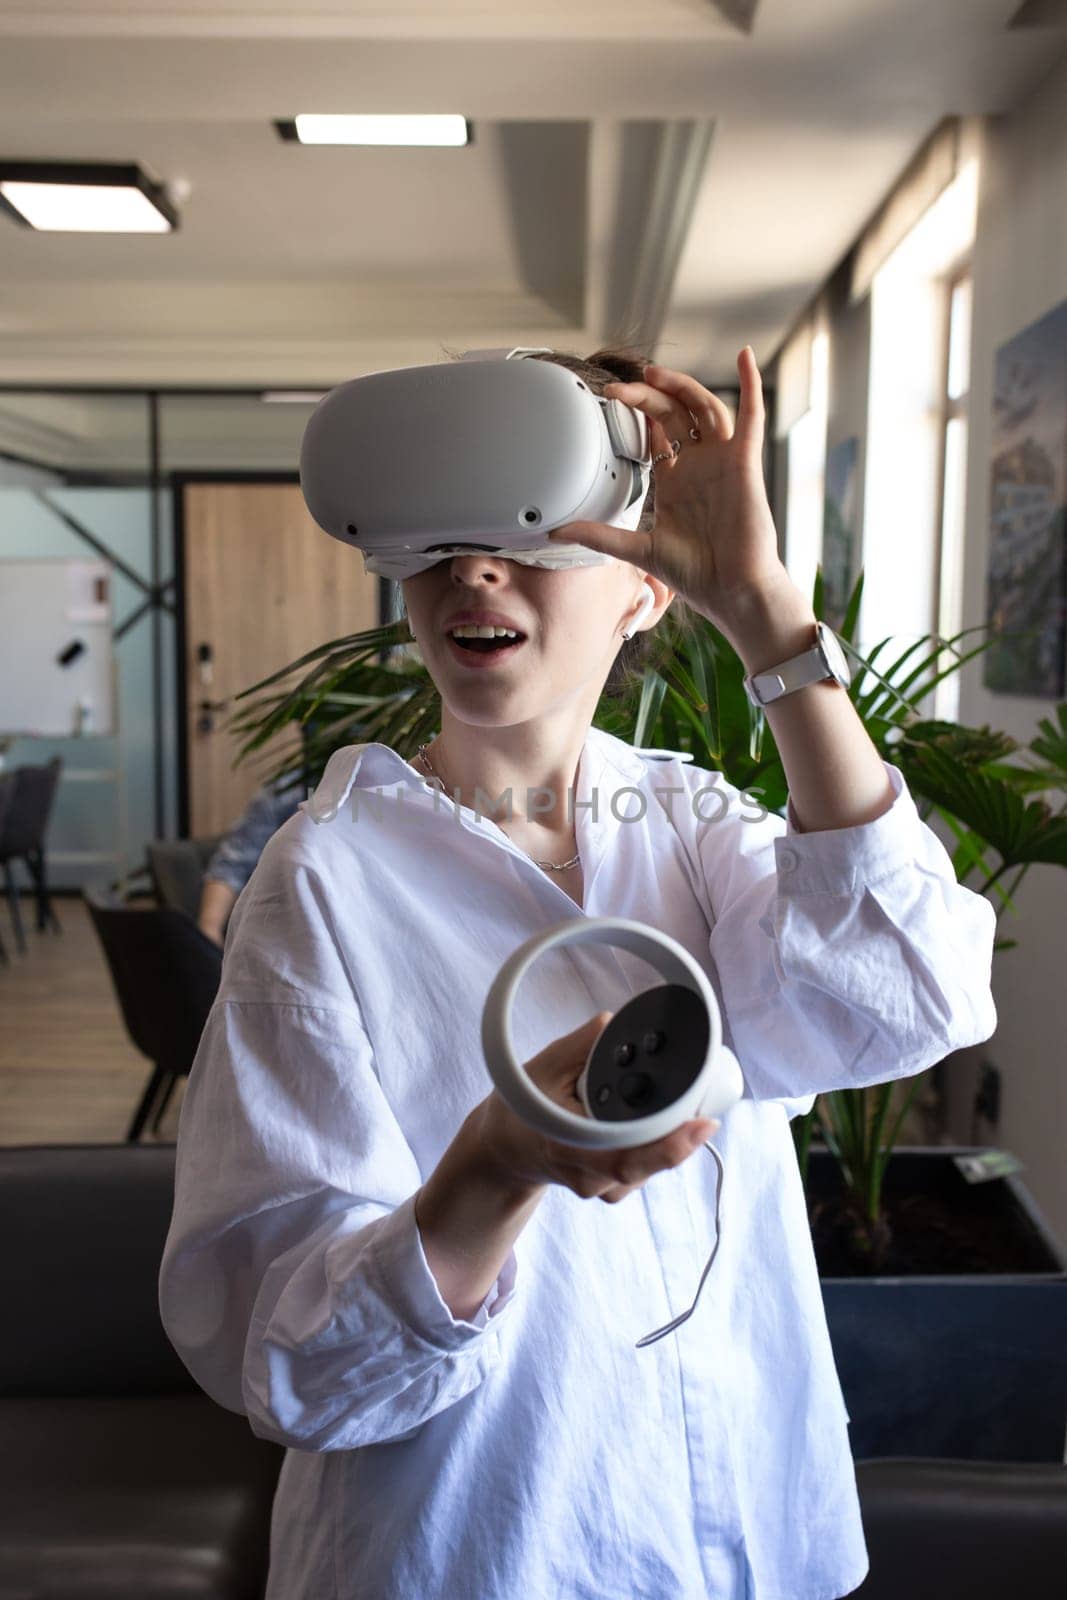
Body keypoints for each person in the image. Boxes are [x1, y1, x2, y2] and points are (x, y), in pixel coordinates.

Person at [159, 346, 997, 1600]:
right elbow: (291, 1358)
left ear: (644, 591)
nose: (474, 569)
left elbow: (898, 998)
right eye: (438, 538)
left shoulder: (693, 825)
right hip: (480, 1549)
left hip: (743, 1536)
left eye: (538, 529)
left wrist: (767, 613)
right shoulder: (326, 879)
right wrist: (496, 1165)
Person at [196, 781, 302, 945]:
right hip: (275, 933)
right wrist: (210, 929)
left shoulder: (352, 802)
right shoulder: (288, 789)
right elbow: (232, 865)